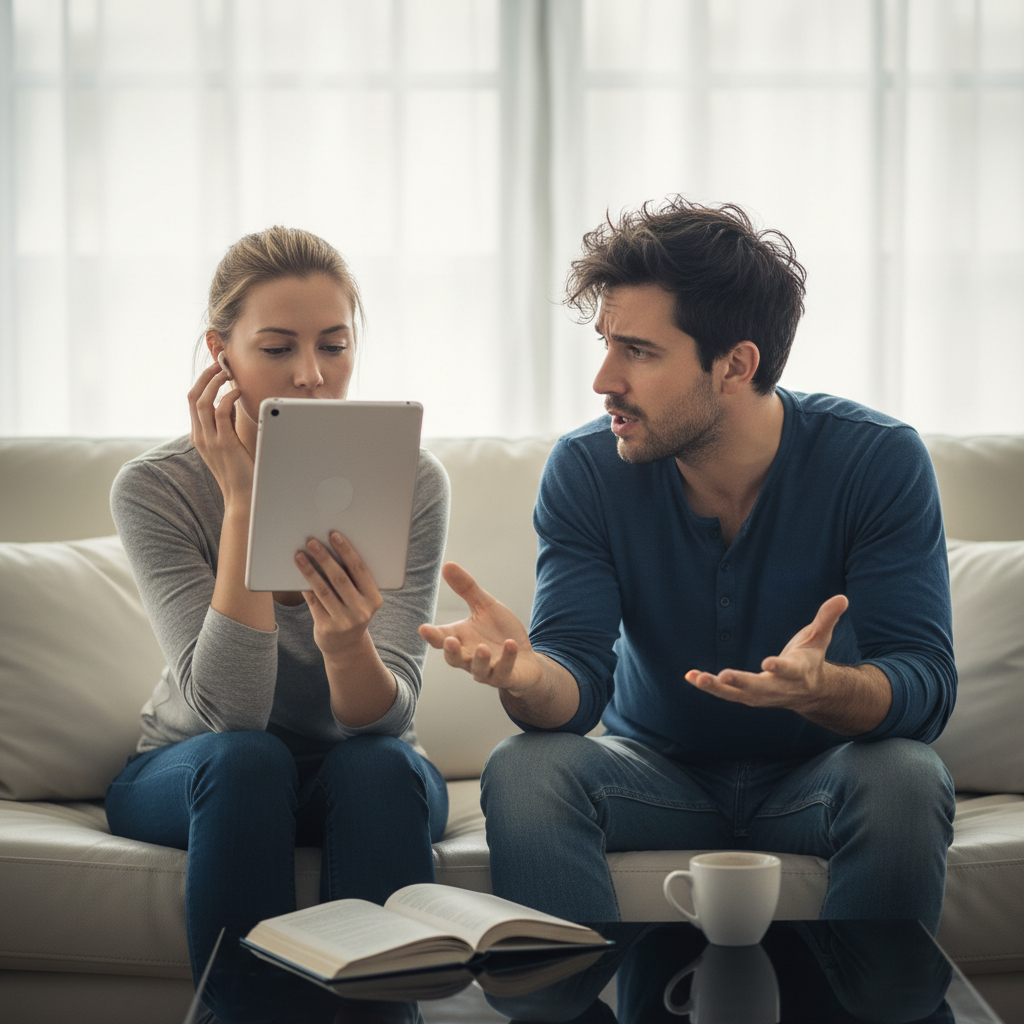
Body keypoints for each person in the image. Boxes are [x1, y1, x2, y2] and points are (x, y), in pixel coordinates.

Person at [419, 197, 957, 934]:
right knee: (526, 765)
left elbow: (924, 686)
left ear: (735, 365)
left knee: (905, 775)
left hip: (821, 777)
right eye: (606, 344)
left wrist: (826, 690)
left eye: (637, 351)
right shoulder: (587, 469)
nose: (605, 378)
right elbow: (573, 691)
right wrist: (526, 674)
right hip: (654, 774)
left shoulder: (877, 460)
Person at [106, 226, 450, 981]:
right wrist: (243, 506)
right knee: (249, 759)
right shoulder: (155, 488)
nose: (310, 376)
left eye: (333, 345)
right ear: (219, 353)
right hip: (197, 763)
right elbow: (228, 711)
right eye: (277, 348)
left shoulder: (411, 481)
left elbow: (385, 718)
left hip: (359, 762)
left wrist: (344, 642)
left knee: (378, 766)